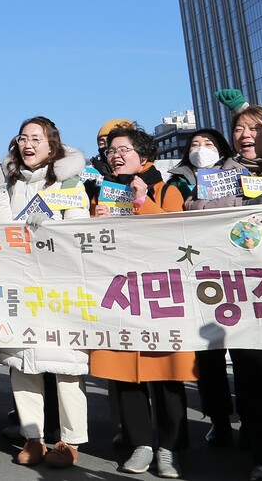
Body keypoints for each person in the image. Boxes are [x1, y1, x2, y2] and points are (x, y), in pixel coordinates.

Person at [186, 105, 262, 481]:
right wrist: (242, 205)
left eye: (254, 127)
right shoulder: (219, 175)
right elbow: (194, 211)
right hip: (246, 295)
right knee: (257, 381)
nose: (245, 134)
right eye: (238, 128)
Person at [87, 127, 192, 479]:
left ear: (144, 156)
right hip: (119, 295)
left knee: (167, 373)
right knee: (125, 374)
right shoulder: (100, 194)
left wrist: (143, 202)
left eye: (124, 149)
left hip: (162, 297)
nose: (115, 155)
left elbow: (176, 234)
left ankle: (169, 448)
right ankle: (141, 443)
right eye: (111, 151)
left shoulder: (167, 189)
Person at [0, 116, 91, 468]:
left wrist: (50, 227)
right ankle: (32, 437)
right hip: (18, 283)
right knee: (23, 364)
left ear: (53, 145)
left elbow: (80, 229)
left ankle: (69, 441)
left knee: (67, 366)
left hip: (59, 287)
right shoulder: (8, 181)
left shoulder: (68, 180)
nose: (28, 144)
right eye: (23, 138)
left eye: (36, 138)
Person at [166, 129, 238, 447]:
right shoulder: (177, 182)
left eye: (208, 144)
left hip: (240, 275)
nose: (201, 149)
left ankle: (253, 419)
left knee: (248, 352)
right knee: (208, 357)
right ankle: (219, 419)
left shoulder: (238, 174)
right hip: (196, 276)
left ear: (221, 149)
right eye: (194, 144)